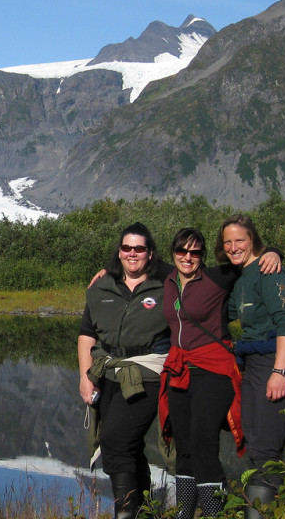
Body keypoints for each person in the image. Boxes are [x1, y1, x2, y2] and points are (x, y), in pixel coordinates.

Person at [158, 228, 282, 519]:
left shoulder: (218, 277)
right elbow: (134, 258)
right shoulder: (168, 277)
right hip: (179, 370)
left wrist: (275, 251)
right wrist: (107, 271)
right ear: (173, 252)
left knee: (203, 442)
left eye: (195, 252)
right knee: (184, 445)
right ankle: (184, 513)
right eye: (181, 251)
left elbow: (248, 257)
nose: (188, 257)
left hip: (212, 369)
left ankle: (214, 513)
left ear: (203, 255)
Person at [215, 214, 285, 519]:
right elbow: (218, 308)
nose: (233, 247)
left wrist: (280, 372)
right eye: (227, 242)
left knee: (267, 453)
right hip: (254, 366)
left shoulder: (271, 273)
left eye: (239, 240)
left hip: (275, 363)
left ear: (253, 240)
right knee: (256, 447)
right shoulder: (242, 277)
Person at [78, 222, 171, 519]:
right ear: (119, 251)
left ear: (150, 253)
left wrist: (270, 253)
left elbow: (196, 266)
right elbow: (87, 333)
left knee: (115, 441)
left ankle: (125, 513)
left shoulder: (168, 283)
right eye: (127, 248)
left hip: (146, 373)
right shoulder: (101, 286)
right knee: (127, 446)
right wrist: (84, 376)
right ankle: (145, 510)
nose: (132, 254)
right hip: (106, 374)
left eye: (140, 249)